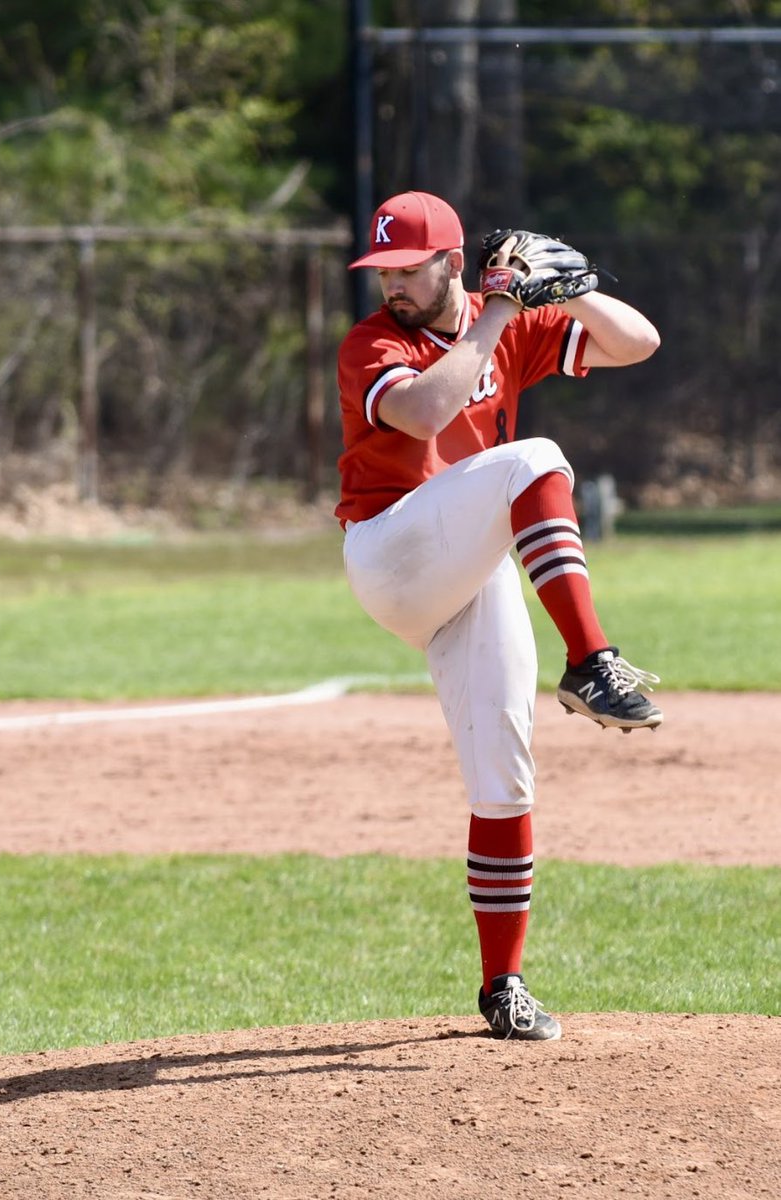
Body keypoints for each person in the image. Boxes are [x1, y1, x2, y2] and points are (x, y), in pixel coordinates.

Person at [336, 191, 662, 1041]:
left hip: (468, 569)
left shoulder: (503, 319)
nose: (394, 286)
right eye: (383, 272)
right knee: (535, 457)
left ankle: (502, 987)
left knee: (506, 777)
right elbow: (421, 411)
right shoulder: (376, 342)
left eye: (408, 269)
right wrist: (505, 310)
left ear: (451, 263)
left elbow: (639, 344)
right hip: (393, 553)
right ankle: (591, 658)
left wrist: (571, 285)